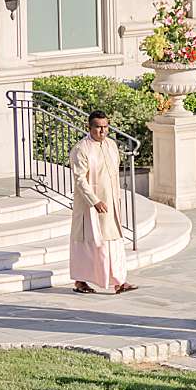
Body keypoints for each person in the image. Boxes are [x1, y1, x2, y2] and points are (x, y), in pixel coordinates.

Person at [68, 111, 137, 294]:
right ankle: (80, 281)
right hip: (90, 206)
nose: (102, 131)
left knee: (113, 241)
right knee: (89, 243)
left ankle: (119, 281)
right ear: (89, 127)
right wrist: (94, 201)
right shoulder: (81, 149)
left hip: (111, 202)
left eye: (105, 127)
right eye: (98, 127)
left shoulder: (111, 145)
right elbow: (80, 179)